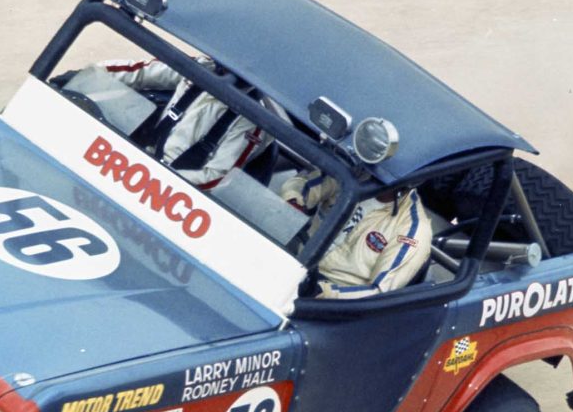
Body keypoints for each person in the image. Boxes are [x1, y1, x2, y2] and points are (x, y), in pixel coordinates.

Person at [81, 57, 273, 189]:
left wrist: (157, 180)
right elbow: (140, 72)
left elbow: (216, 178)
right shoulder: (200, 68)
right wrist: (88, 75)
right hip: (133, 160)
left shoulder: (252, 119)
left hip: (170, 192)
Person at [281, 169, 432, 299]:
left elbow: (379, 291)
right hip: (294, 262)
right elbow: (301, 183)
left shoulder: (413, 229)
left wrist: (323, 292)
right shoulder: (351, 175)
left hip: (329, 299)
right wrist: (294, 201)